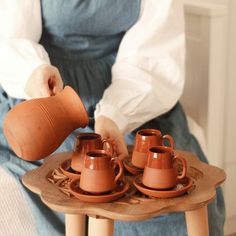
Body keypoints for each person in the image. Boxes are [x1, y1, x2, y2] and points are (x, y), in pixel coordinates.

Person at [0, 0, 225, 235]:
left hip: (129, 94)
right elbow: (10, 36)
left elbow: (154, 53)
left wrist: (115, 115)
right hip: (49, 90)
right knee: (69, 182)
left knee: (169, 198)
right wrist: (33, 72)